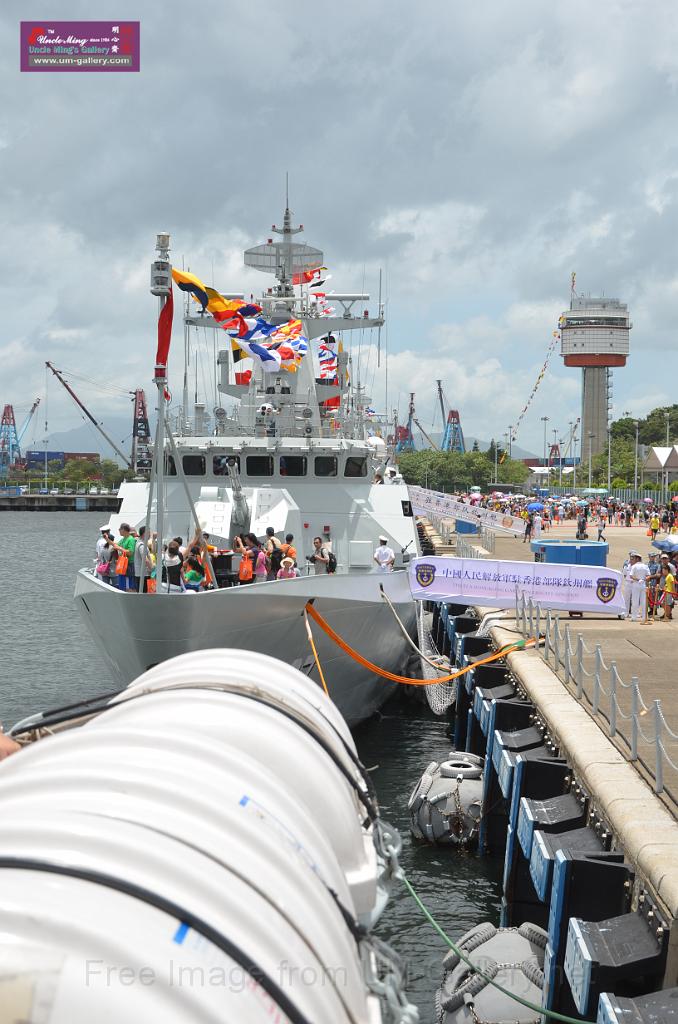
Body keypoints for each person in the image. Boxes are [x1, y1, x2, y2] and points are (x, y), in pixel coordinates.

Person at [628, 552, 650, 622]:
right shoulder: (645, 566)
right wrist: (643, 579)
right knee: (643, 601)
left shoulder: (634, 566)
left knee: (635, 601)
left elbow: (631, 576)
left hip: (636, 584)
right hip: (643, 584)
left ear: (637, 559)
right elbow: (648, 576)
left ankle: (634, 617)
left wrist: (638, 579)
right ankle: (644, 617)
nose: (633, 560)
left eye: (634, 558)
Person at [115, 523, 137, 591]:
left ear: (124, 530)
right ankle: (122, 591)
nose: (118, 530)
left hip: (129, 563)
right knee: (121, 580)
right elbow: (116, 546)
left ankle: (131, 592)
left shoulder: (130, 539)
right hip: (123, 562)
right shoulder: (123, 539)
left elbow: (130, 552)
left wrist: (120, 549)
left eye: (119, 529)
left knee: (130, 582)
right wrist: (107, 539)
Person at [133, 525, 152, 592]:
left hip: (141, 574)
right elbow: (145, 559)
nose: (150, 534)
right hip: (143, 574)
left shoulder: (140, 543)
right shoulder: (141, 545)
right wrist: (152, 569)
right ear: (144, 534)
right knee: (144, 594)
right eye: (149, 533)